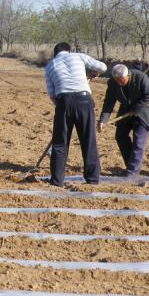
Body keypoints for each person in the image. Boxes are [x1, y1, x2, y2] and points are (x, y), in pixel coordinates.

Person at [45, 41, 107, 187]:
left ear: (55, 53)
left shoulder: (50, 66)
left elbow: (52, 95)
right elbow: (103, 67)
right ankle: (92, 179)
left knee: (60, 143)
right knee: (88, 141)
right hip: (84, 101)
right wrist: (93, 72)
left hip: (63, 102)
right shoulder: (79, 57)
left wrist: (63, 106)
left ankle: (57, 180)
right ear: (69, 50)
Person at [98, 64, 149, 177]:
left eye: (122, 80)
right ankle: (131, 166)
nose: (120, 83)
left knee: (139, 139)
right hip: (126, 111)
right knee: (120, 136)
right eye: (117, 81)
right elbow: (109, 103)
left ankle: (132, 172)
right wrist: (103, 120)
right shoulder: (112, 83)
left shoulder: (140, 77)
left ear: (128, 75)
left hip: (144, 111)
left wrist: (135, 109)